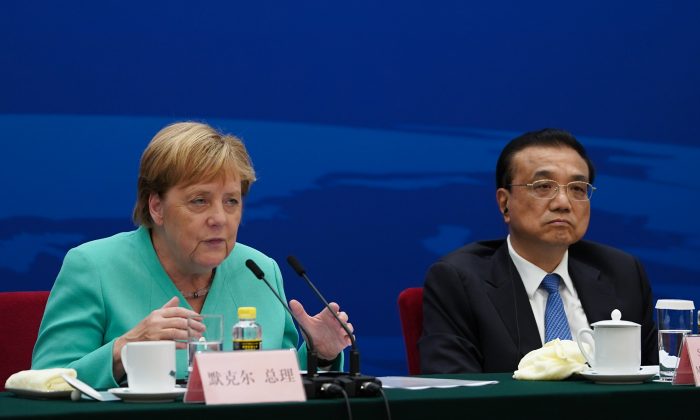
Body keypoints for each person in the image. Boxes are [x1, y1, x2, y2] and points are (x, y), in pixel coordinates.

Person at [32, 122, 353, 389]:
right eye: (199, 201)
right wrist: (123, 349)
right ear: (156, 206)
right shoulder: (94, 267)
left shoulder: (259, 270)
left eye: (231, 201)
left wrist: (319, 354)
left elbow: (275, 380)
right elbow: (43, 384)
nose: (220, 218)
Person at [419, 128, 658, 373]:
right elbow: (455, 392)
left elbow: (656, 383)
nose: (563, 203)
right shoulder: (459, 280)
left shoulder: (622, 273)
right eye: (543, 186)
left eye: (577, 189)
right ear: (505, 203)